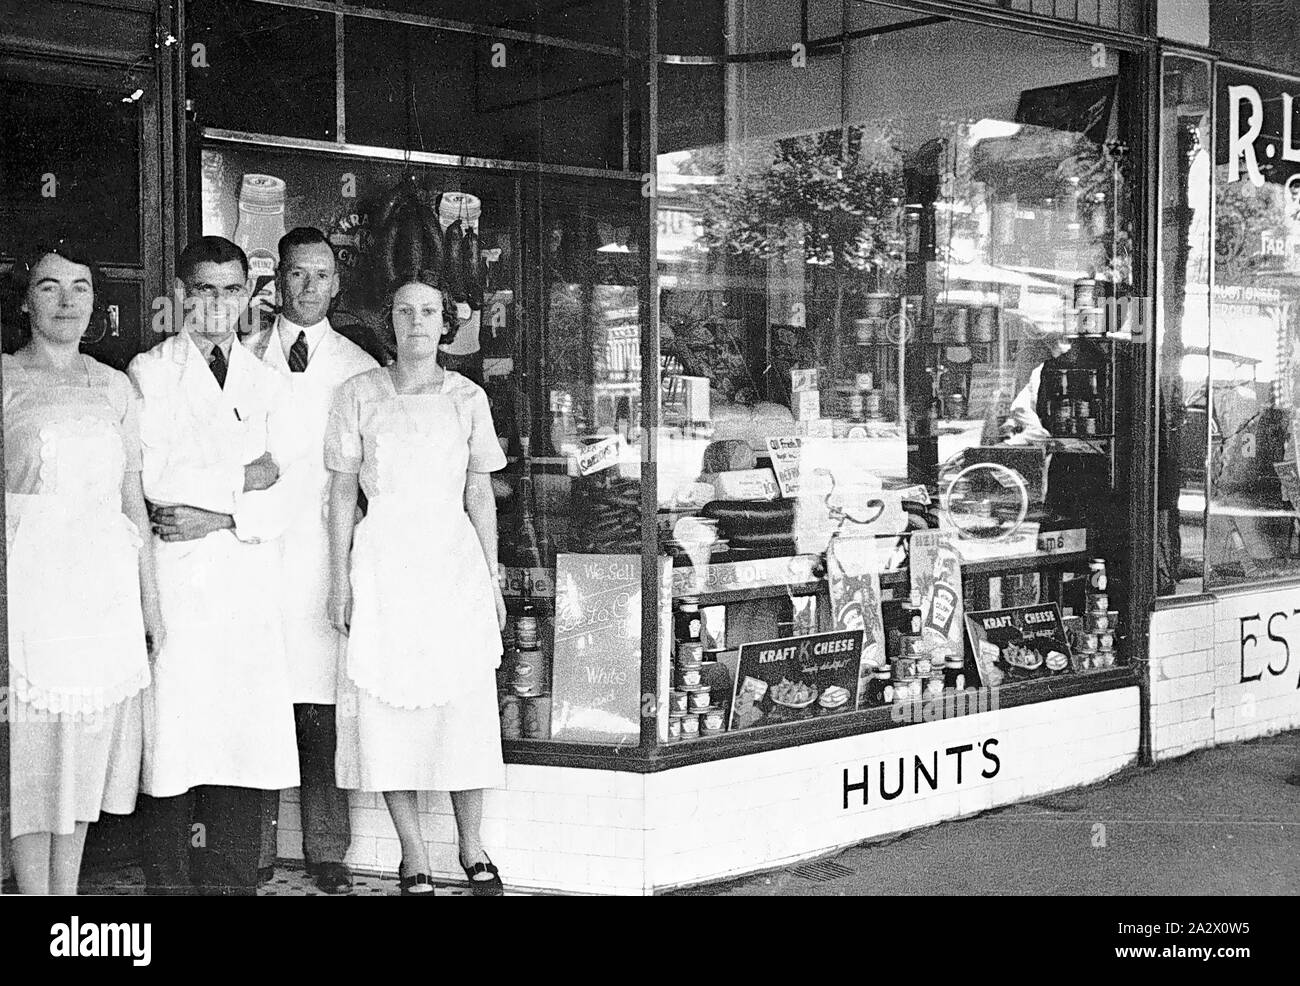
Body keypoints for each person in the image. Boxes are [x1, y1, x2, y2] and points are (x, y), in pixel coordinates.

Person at [324, 270, 508, 896]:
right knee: (387, 710)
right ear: (390, 321)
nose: (417, 324)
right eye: (405, 312)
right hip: (382, 564)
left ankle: (472, 845)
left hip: (451, 563)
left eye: (429, 312)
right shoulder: (358, 393)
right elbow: (342, 491)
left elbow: (479, 490)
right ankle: (413, 852)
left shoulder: (467, 398)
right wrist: (338, 580)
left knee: (463, 705)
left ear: (445, 322)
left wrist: (492, 574)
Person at [129, 236, 302, 895]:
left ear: (247, 296)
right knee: (176, 748)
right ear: (179, 293)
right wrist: (245, 477)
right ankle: (167, 890)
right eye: (204, 289)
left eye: (232, 290)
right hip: (182, 584)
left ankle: (232, 886)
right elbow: (160, 477)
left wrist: (225, 516)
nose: (218, 303)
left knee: (239, 747)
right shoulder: (150, 372)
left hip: (246, 582)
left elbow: (291, 488)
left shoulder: (267, 380)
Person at [2, 244, 162, 894]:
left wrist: (151, 604)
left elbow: (134, 502)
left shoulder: (116, 386)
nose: (67, 302)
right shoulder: (5, 380)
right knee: (31, 762)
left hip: (103, 596)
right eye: (49, 288)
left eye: (80, 287)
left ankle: (63, 899)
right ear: (23, 299)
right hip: (28, 595)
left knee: (84, 761)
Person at [249, 227, 377, 894]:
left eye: (320, 276)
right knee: (262, 702)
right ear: (276, 283)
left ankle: (327, 849)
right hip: (259, 552)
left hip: (328, 555)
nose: (307, 288)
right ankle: (256, 847)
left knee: (321, 712)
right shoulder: (241, 360)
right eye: (296, 275)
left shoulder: (359, 368)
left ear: (336, 284)